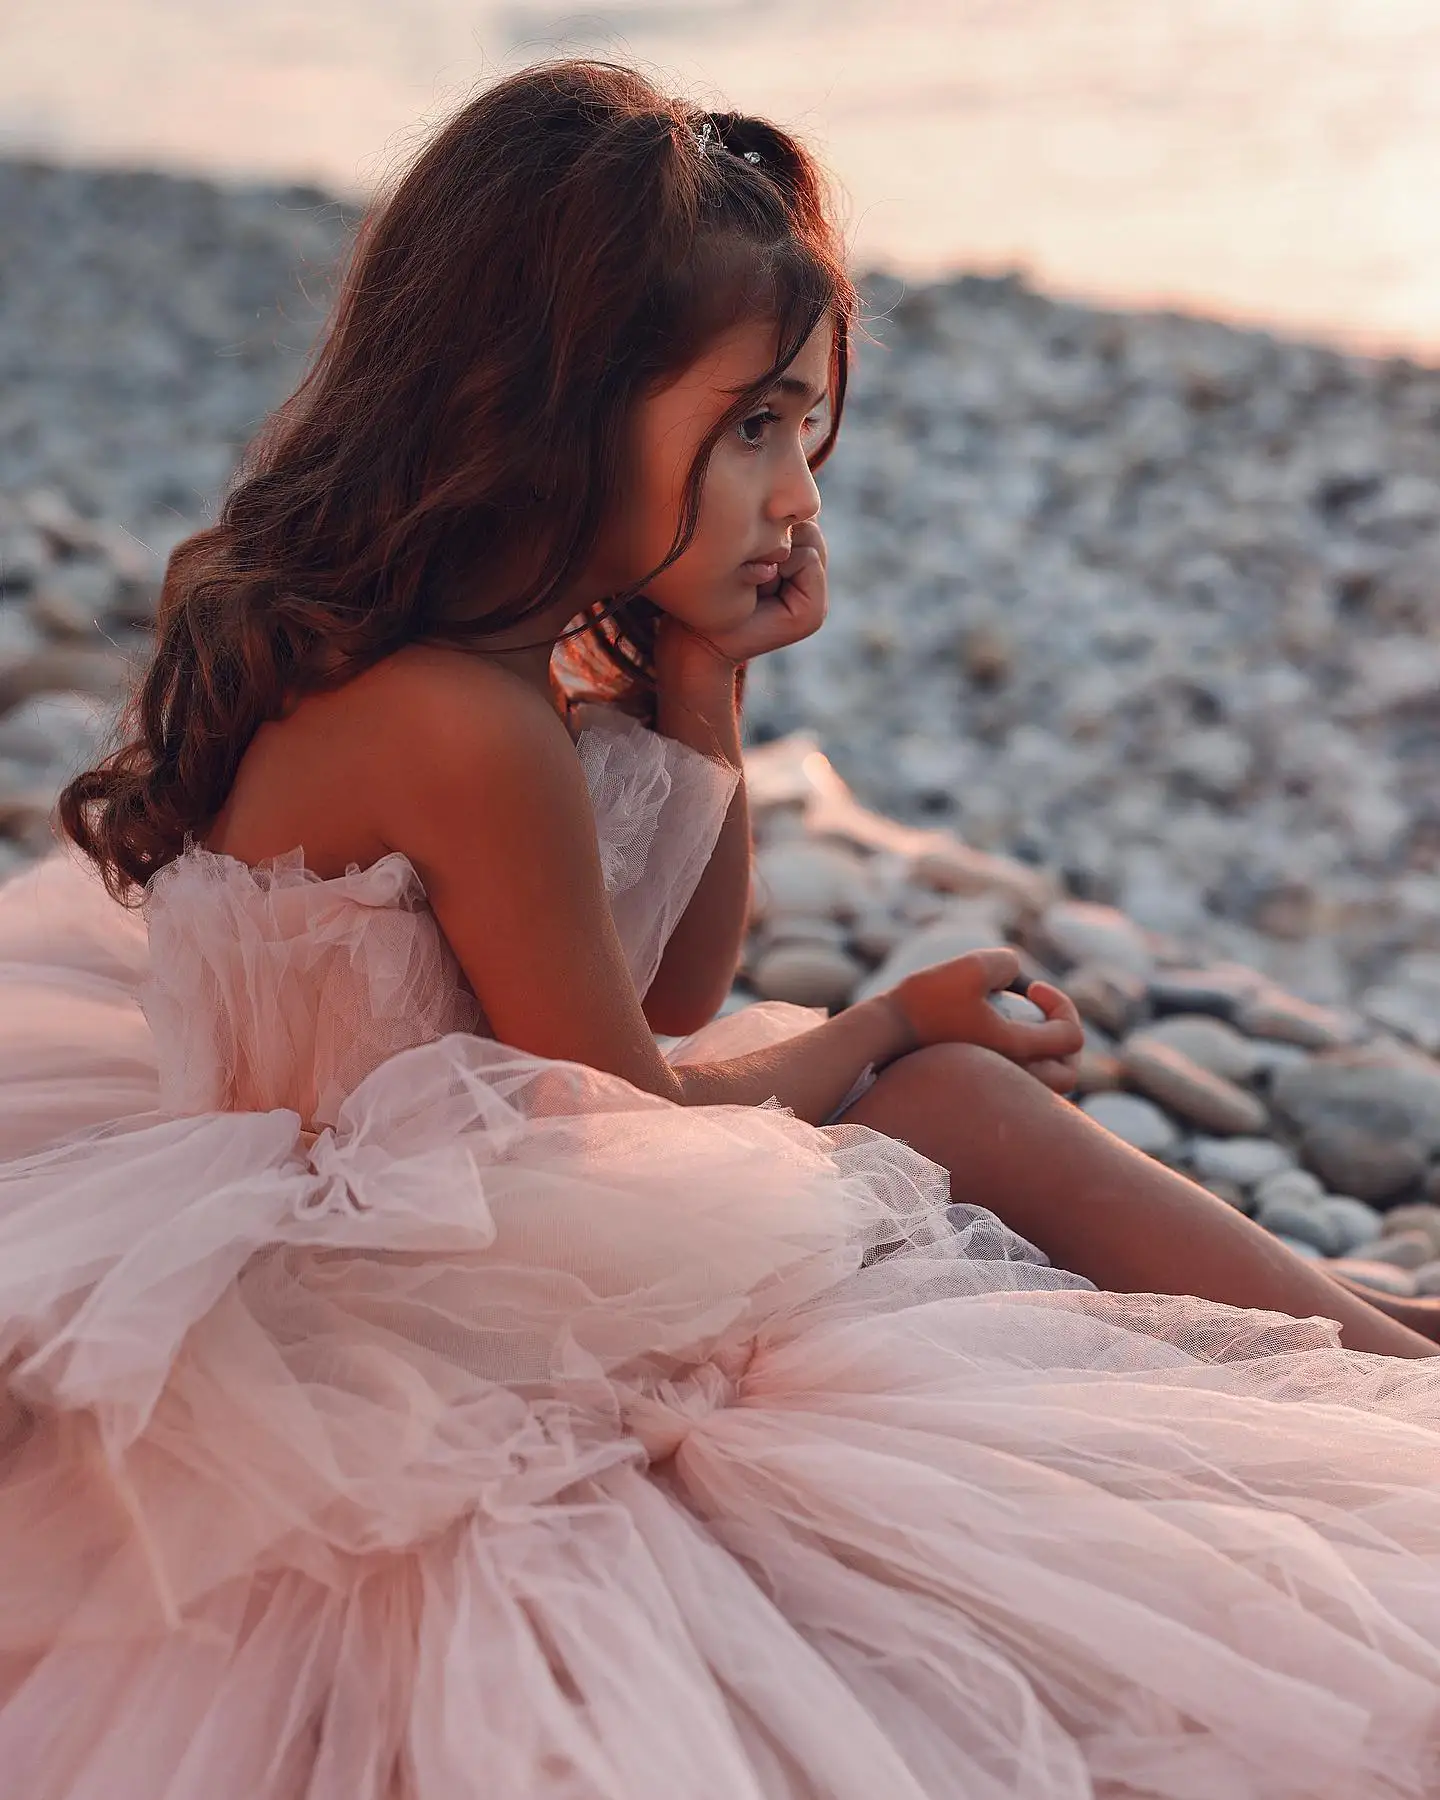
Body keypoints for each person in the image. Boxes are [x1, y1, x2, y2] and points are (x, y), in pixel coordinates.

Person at [2, 56, 1440, 1799]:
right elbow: (630, 1109)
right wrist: (893, 1022)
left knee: (934, 1136)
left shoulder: (433, 648)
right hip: (400, 1290)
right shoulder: (460, 724)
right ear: (555, 406)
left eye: (793, 427)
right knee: (949, 1113)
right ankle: (1394, 1392)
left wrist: (704, 689)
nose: (796, 489)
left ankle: (1367, 1349)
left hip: (410, 1196)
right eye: (750, 423)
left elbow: (666, 983)